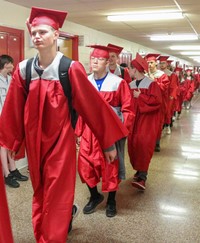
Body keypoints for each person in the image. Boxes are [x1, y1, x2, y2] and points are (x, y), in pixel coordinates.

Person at [0, 7, 129, 243]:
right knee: (40, 193)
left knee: (57, 196)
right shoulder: (24, 69)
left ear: (56, 34)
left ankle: (51, 236)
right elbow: (12, 110)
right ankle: (45, 232)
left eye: (42, 31)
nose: (36, 36)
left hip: (61, 144)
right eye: (34, 32)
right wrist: (9, 141)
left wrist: (108, 142)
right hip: (34, 144)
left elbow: (93, 107)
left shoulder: (69, 69)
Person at [75, 44, 134, 217]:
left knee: (111, 167)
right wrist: (78, 132)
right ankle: (95, 196)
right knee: (85, 165)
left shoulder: (117, 83)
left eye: (99, 59)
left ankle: (111, 201)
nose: (94, 61)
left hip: (110, 132)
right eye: (92, 58)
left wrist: (120, 129)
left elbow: (128, 109)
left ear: (107, 62)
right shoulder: (85, 81)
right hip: (88, 131)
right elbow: (80, 109)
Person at [128, 53, 162, 190]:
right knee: (134, 145)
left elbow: (157, 102)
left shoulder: (151, 84)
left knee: (143, 146)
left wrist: (140, 96)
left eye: (130, 69)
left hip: (146, 122)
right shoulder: (130, 84)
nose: (129, 72)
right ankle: (138, 170)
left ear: (134, 70)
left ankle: (143, 177)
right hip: (133, 121)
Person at [0, 55, 28, 188]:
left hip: (10, 117)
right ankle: (6, 174)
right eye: (11, 63)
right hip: (1, 117)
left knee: (10, 144)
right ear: (6, 65)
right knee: (3, 146)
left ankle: (13, 169)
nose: (12, 65)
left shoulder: (11, 78)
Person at [145, 53, 170, 152]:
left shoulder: (162, 75)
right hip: (147, 103)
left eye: (151, 62)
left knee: (157, 124)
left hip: (159, 104)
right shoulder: (145, 75)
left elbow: (164, 88)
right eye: (148, 63)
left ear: (156, 63)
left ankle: (157, 143)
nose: (149, 65)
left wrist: (154, 81)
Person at [158, 56, 178, 134]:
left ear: (167, 64)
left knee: (168, 111)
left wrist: (172, 95)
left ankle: (168, 126)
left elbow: (173, 86)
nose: (162, 65)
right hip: (159, 96)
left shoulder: (171, 74)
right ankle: (161, 126)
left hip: (168, 96)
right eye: (160, 63)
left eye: (163, 63)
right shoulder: (157, 73)